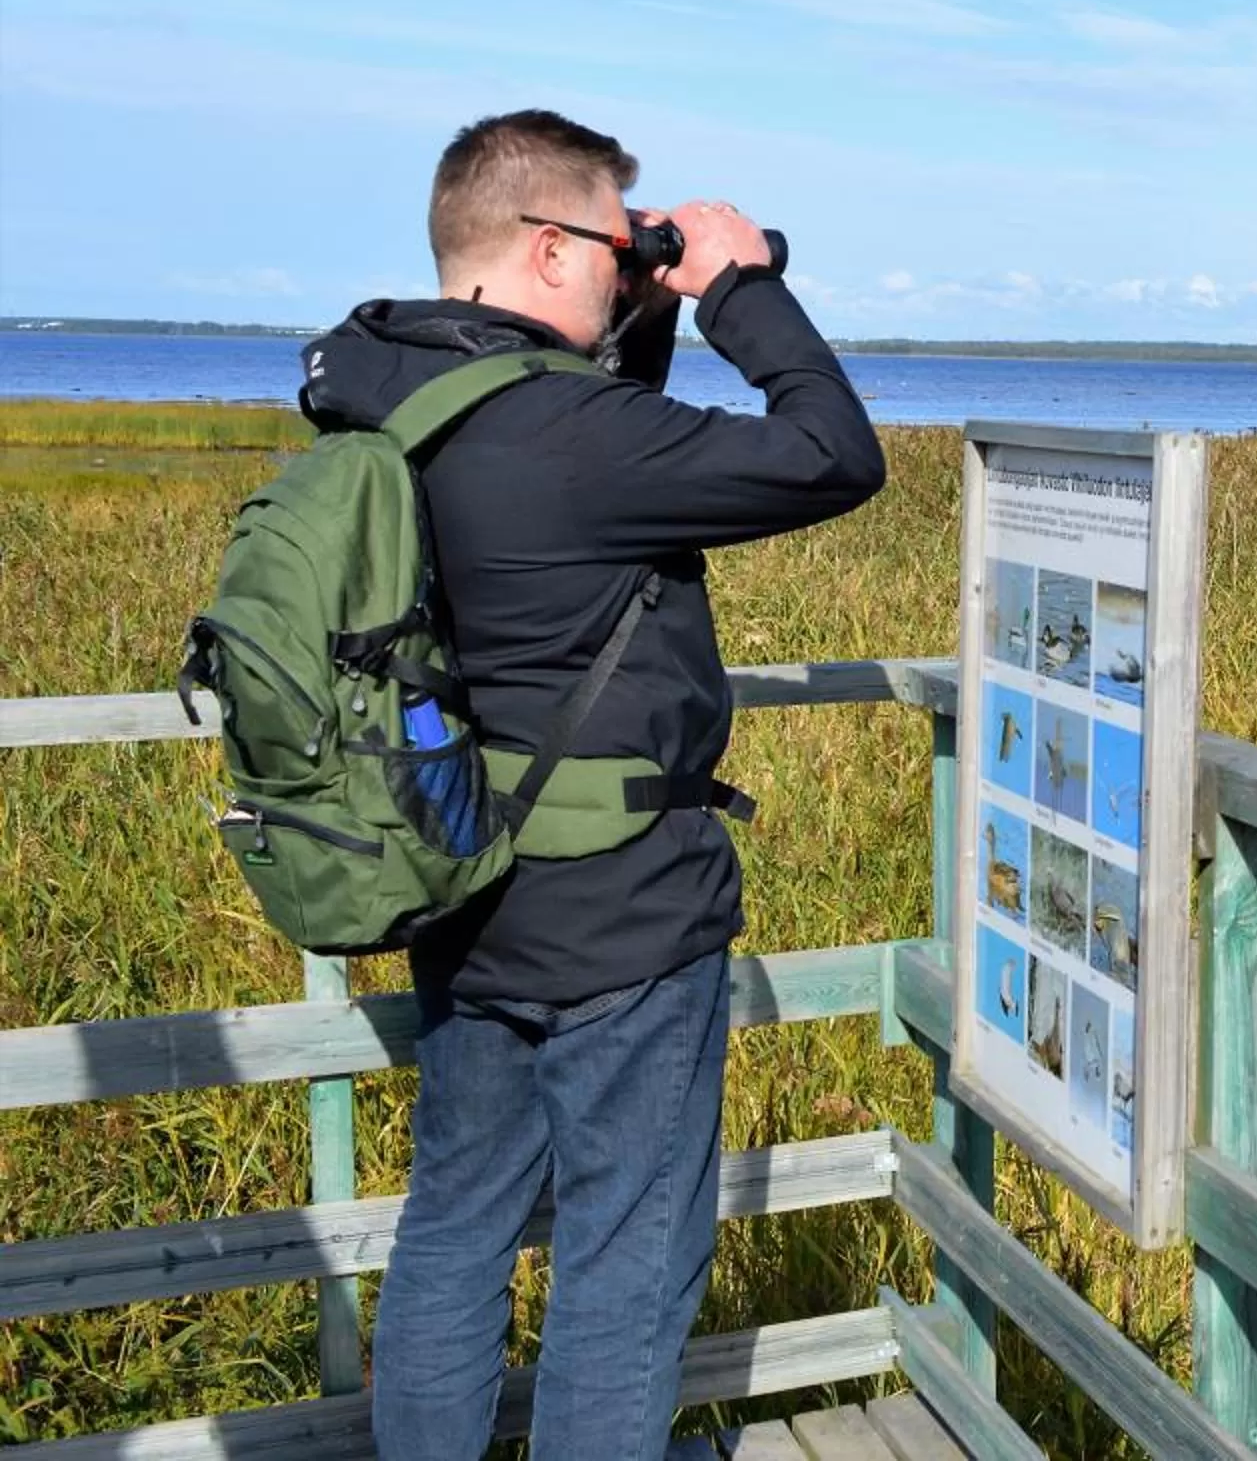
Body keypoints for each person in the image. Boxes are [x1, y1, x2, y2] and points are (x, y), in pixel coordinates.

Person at [295, 110, 886, 1459]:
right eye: (616, 241)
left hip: (456, 885)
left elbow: (599, 434)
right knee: (622, 1270)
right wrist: (739, 288)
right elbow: (836, 452)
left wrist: (639, 292)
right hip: (621, 916)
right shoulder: (573, 437)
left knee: (456, 1225)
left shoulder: (382, 391)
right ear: (555, 246)